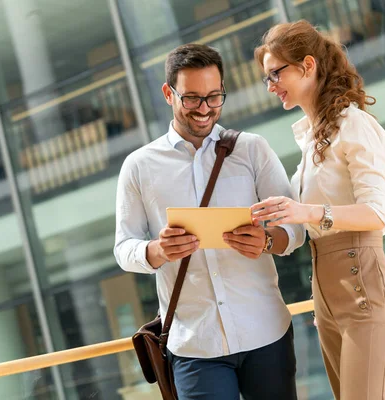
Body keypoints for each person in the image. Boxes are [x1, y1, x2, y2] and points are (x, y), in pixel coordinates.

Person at [114, 43, 305, 400]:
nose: (204, 109)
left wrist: (267, 241)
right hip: (194, 346)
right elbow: (124, 248)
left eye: (214, 97)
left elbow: (295, 227)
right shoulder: (139, 166)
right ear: (168, 93)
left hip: (265, 332)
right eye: (192, 99)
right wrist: (157, 250)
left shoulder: (252, 149)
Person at [252, 20, 385, 400]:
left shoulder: (354, 125)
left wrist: (305, 211)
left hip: (363, 290)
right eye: (266, 78)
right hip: (327, 299)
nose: (271, 85)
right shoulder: (311, 140)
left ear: (308, 65)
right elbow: (303, 222)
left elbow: (378, 214)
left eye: (276, 73)